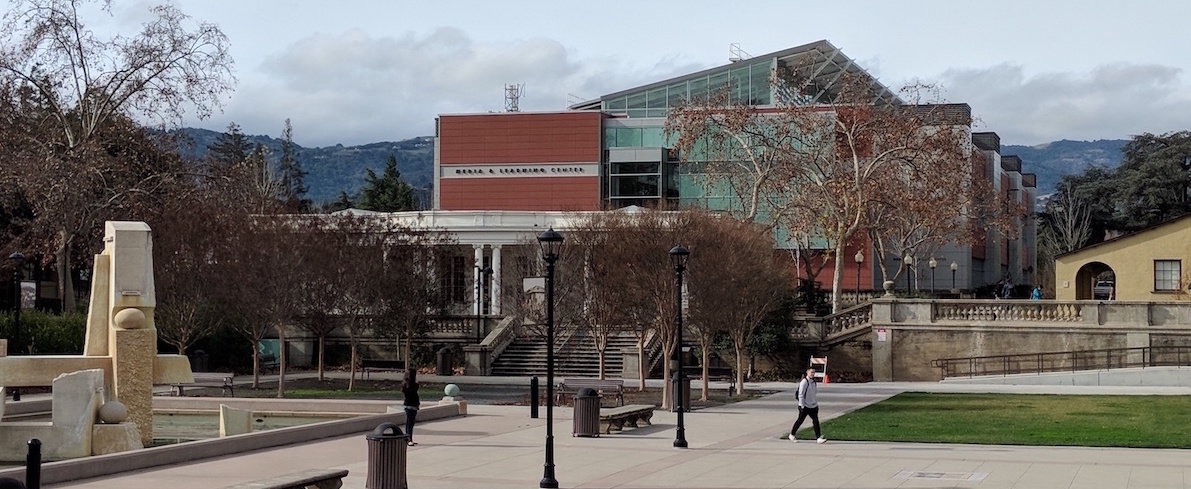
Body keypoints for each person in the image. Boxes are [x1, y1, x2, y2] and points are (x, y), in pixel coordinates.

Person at [788, 367, 826, 444]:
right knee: (800, 421)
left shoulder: (814, 382)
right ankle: (792, 434)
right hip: (805, 406)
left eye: (813, 372)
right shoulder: (804, 382)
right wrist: (802, 405)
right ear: (807, 372)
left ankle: (818, 437)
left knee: (816, 421)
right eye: (811, 372)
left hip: (813, 405)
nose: (812, 374)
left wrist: (815, 403)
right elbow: (800, 394)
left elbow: (814, 394)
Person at [401, 369, 420, 446]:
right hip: (413, 406)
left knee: (410, 423)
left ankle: (409, 438)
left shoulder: (405, 385)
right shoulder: (414, 386)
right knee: (410, 424)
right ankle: (408, 439)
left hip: (408, 405)